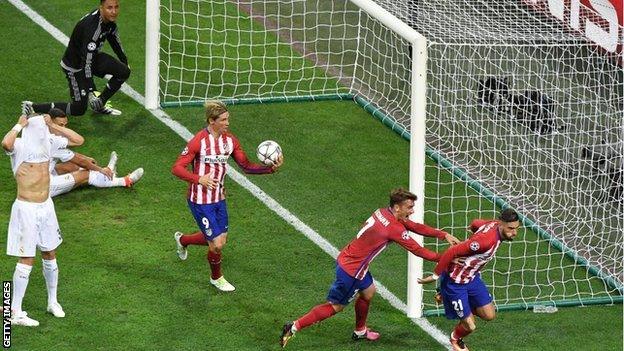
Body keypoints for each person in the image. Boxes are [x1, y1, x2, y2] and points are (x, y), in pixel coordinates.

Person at [279, 188, 461, 348]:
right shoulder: (393, 228)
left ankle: (360, 330)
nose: (412, 211)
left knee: (368, 292)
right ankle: (294, 326)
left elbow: (413, 226)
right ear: (398, 208)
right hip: (353, 272)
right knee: (335, 307)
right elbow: (419, 250)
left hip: (350, 259)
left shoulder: (383, 212)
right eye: (409, 207)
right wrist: (448, 257)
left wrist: (443, 235)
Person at [171, 100, 283, 292]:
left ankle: (182, 240)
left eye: (227, 119)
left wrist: (270, 169)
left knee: (220, 240)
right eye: (223, 120)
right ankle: (216, 278)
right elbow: (177, 168)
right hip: (200, 200)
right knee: (216, 245)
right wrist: (199, 179)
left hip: (219, 198)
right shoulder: (199, 141)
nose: (227, 123)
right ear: (211, 121)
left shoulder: (230, 141)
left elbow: (246, 166)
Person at [418, 208, 521, 351]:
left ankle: (447, 297)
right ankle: (455, 339)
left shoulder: (494, 224)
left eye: (517, 228)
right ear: (501, 224)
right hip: (455, 282)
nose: (514, 233)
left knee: (489, 315)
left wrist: (473, 228)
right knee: (470, 326)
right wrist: (434, 275)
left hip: (471, 278)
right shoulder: (485, 241)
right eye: (510, 228)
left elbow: (476, 222)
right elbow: (452, 251)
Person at [1, 115, 66, 327]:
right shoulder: (20, 146)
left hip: (46, 207)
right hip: (26, 210)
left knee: (50, 252)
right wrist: (19, 124)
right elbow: (5, 143)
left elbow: (78, 140)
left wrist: (52, 125)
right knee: (26, 258)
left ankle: (52, 302)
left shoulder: (48, 143)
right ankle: (15, 312)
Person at [22, 0, 129, 116]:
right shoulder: (93, 29)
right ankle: (33, 108)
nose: (114, 12)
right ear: (101, 8)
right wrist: (91, 90)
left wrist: (124, 62)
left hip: (91, 57)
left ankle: (99, 103)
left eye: (116, 7)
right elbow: (86, 64)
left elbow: (114, 39)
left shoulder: (107, 20)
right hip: (75, 66)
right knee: (79, 109)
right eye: (109, 8)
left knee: (124, 71)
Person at [46, 108, 143, 197]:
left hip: (35, 176)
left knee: (72, 166)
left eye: (65, 125)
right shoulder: (52, 141)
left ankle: (107, 174)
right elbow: (79, 145)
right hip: (42, 187)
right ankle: (124, 181)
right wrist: (100, 169)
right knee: (85, 174)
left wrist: (86, 159)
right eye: (60, 125)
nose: (64, 129)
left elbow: (70, 156)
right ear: (50, 123)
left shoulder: (41, 132)